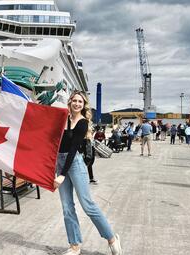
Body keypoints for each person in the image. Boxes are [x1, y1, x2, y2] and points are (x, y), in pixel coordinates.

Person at [54, 91, 122, 255]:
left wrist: (62, 174)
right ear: (69, 102)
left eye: (80, 102)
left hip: (75, 164)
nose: (77, 104)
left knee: (87, 205)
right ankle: (74, 246)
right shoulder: (62, 119)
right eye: (75, 100)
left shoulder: (83, 123)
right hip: (60, 162)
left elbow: (72, 149)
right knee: (67, 207)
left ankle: (111, 238)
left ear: (84, 105)